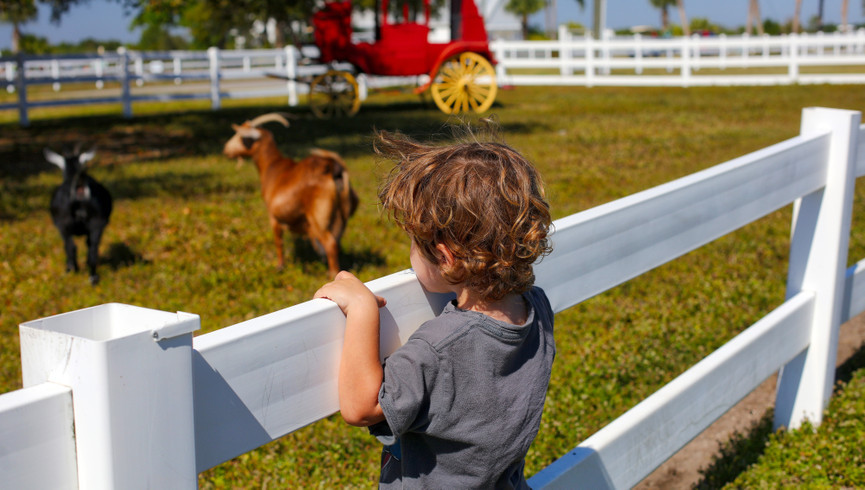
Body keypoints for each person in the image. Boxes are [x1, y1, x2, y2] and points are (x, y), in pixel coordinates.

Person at [313, 125, 555, 489]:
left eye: (413, 242)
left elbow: (361, 408)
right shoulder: (536, 308)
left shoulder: (439, 346)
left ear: (445, 258)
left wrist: (362, 308)